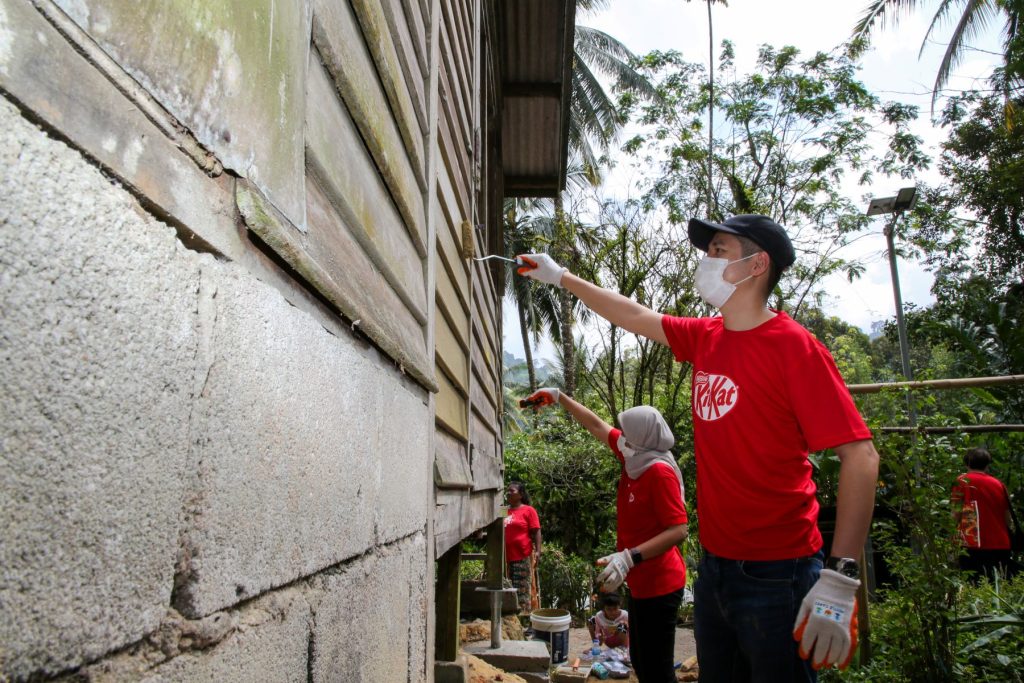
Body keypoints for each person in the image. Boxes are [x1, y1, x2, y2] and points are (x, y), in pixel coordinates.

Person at [517, 214, 880, 680]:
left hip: (779, 572)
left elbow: (861, 457)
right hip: (714, 569)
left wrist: (839, 577)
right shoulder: (707, 337)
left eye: (719, 250)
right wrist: (560, 276)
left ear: (757, 265)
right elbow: (633, 315)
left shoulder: (794, 346)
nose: (706, 260)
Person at [524, 387, 688, 683]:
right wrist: (559, 397)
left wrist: (629, 558)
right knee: (641, 662)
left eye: (627, 433)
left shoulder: (658, 473)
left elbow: (679, 530)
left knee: (658, 670)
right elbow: (596, 424)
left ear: (641, 438)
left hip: (662, 584)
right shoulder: (634, 455)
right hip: (640, 582)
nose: (621, 437)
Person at [952, 447, 1014, 580]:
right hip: (1000, 543)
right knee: (998, 585)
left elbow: (956, 514)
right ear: (987, 464)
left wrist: (951, 539)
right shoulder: (999, 484)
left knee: (973, 584)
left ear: (967, 463)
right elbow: (1008, 518)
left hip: (972, 543)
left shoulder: (962, 481)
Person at [504, 480, 541, 613]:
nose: (508, 493)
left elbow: (536, 531)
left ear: (520, 494)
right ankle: (510, 617)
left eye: (512, 491)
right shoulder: (503, 510)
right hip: (505, 558)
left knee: (523, 589)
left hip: (522, 555)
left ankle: (524, 617)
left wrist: (538, 551)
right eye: (507, 490)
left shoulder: (529, 510)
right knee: (507, 588)